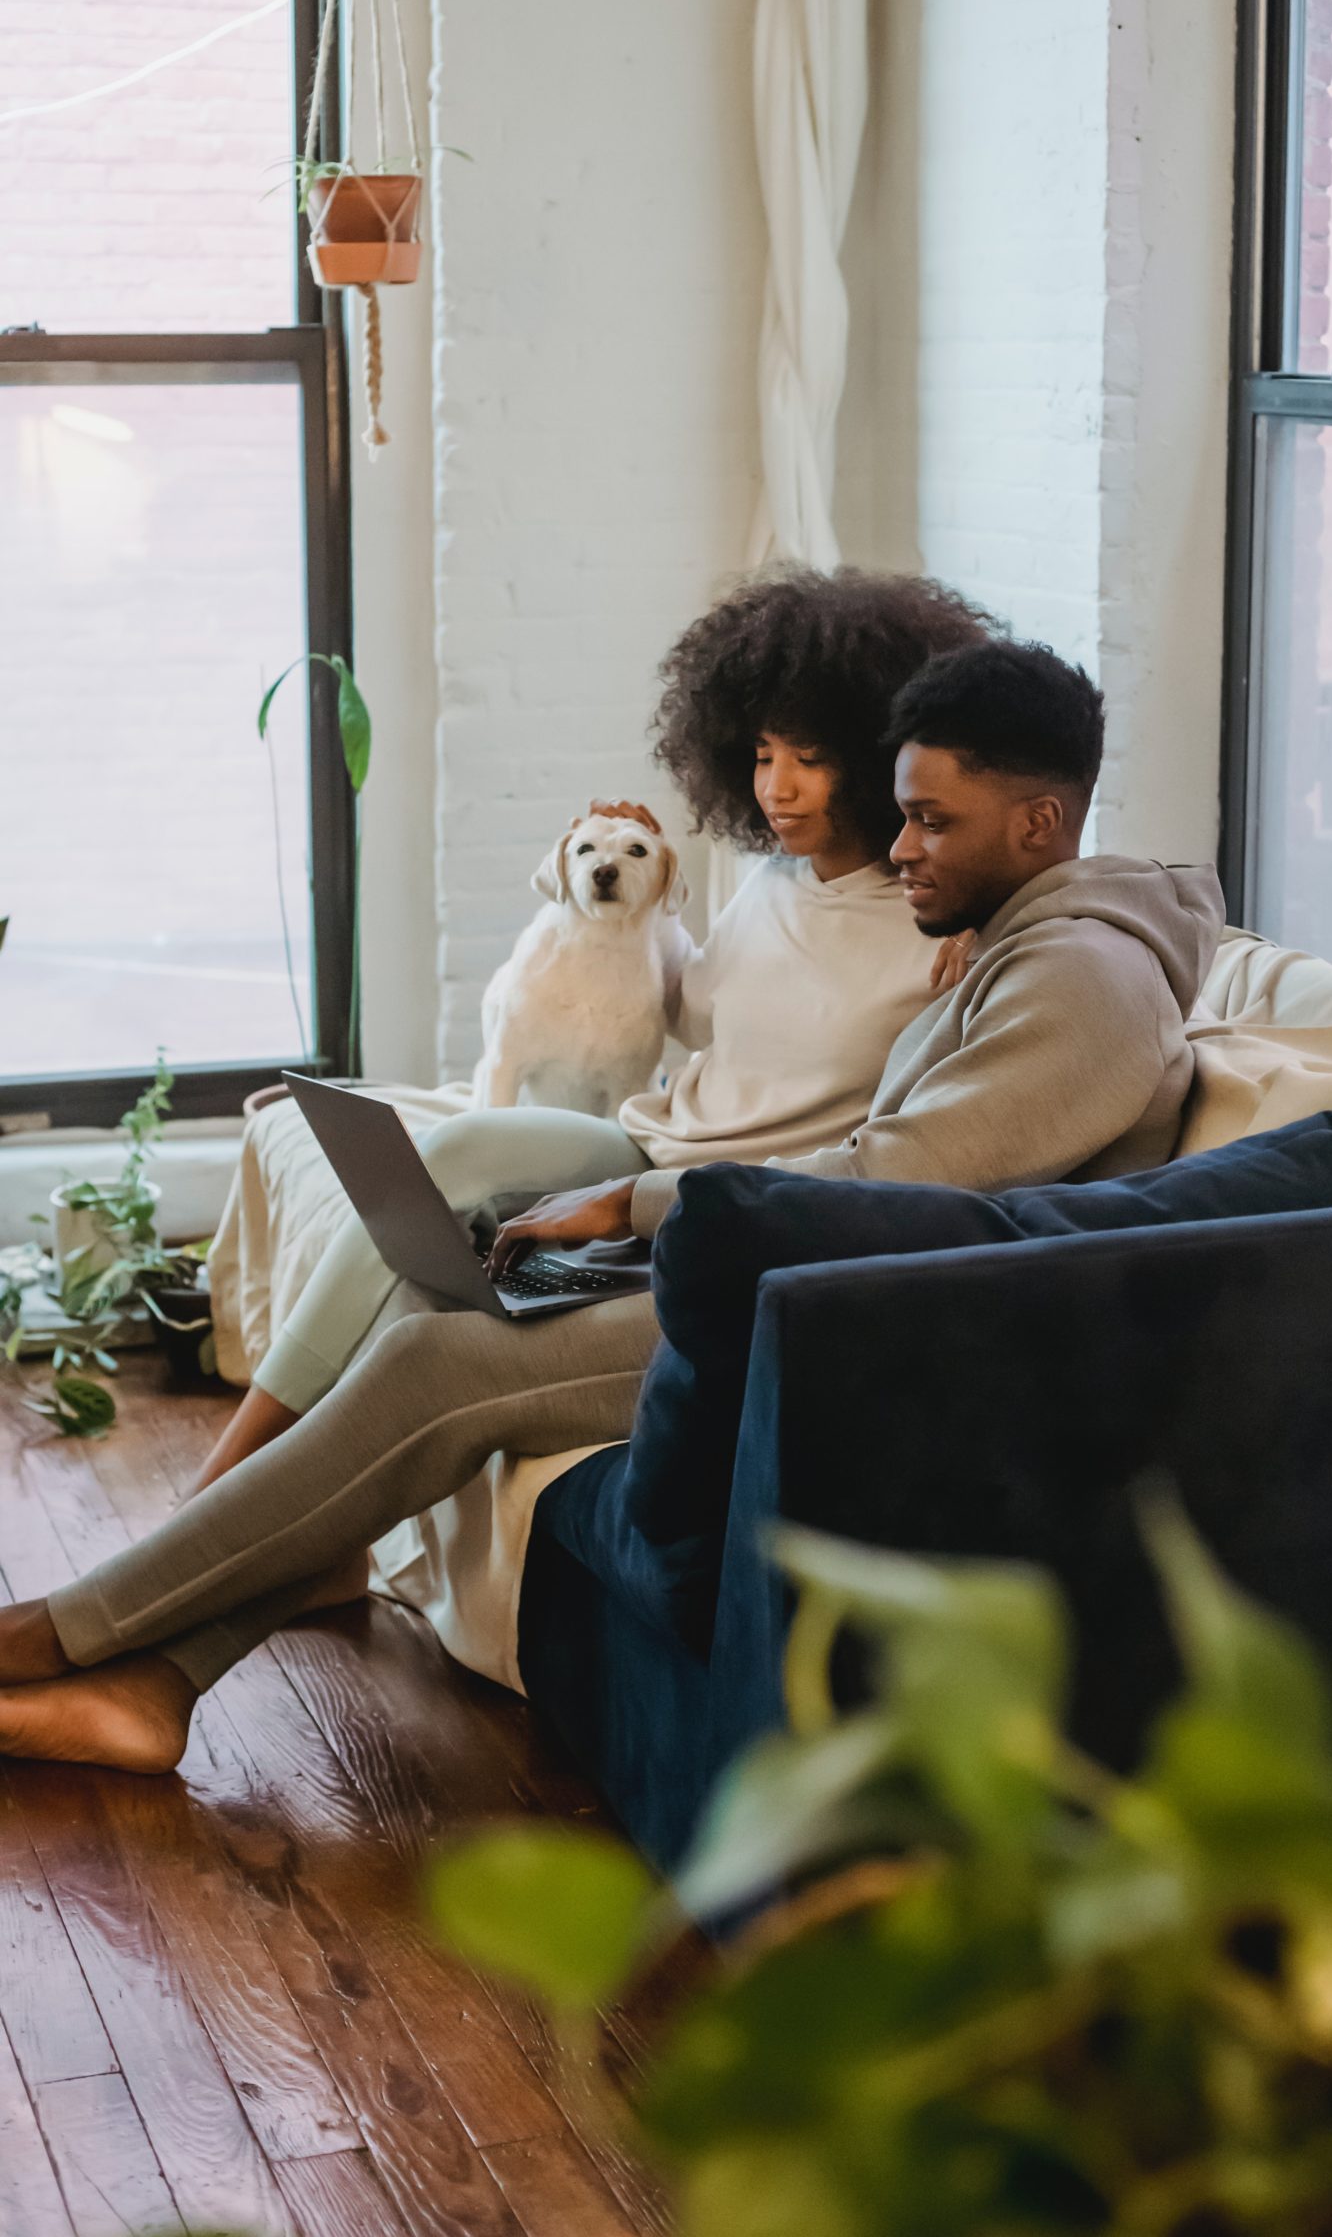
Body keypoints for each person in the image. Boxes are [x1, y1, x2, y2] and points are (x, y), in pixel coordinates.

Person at [0, 640, 1223, 1770]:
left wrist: (638, 1204)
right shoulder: (1030, 942)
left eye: (929, 821)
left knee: (445, 1362)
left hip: (874, 1322)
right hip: (831, 1274)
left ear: (1042, 820)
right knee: (445, 1324)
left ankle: (63, 1635)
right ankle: (151, 1679)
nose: (900, 847)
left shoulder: (1087, 984)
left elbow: (895, 1179)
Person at [191, 566, 996, 1496]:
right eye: (763, 752)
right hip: (648, 1138)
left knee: (436, 1275)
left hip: (725, 1191)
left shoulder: (941, 932)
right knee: (455, 1150)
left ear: (877, 754)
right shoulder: (773, 882)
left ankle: (233, 1489)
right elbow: (690, 1011)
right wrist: (640, 883)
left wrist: (986, 922)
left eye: (808, 757)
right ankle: (241, 1464)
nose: (775, 786)